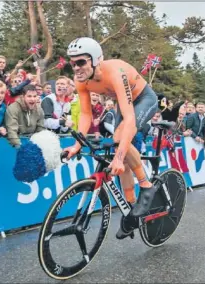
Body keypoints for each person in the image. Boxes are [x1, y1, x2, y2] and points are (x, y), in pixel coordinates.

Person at [65, 37, 159, 239]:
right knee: (120, 149)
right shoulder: (80, 80)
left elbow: (130, 118)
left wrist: (118, 157)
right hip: (123, 101)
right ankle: (132, 206)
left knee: (120, 143)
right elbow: (85, 115)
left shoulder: (115, 73)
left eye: (81, 62)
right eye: (72, 63)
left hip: (144, 99)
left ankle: (146, 185)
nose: (76, 68)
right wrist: (77, 145)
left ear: (96, 60)